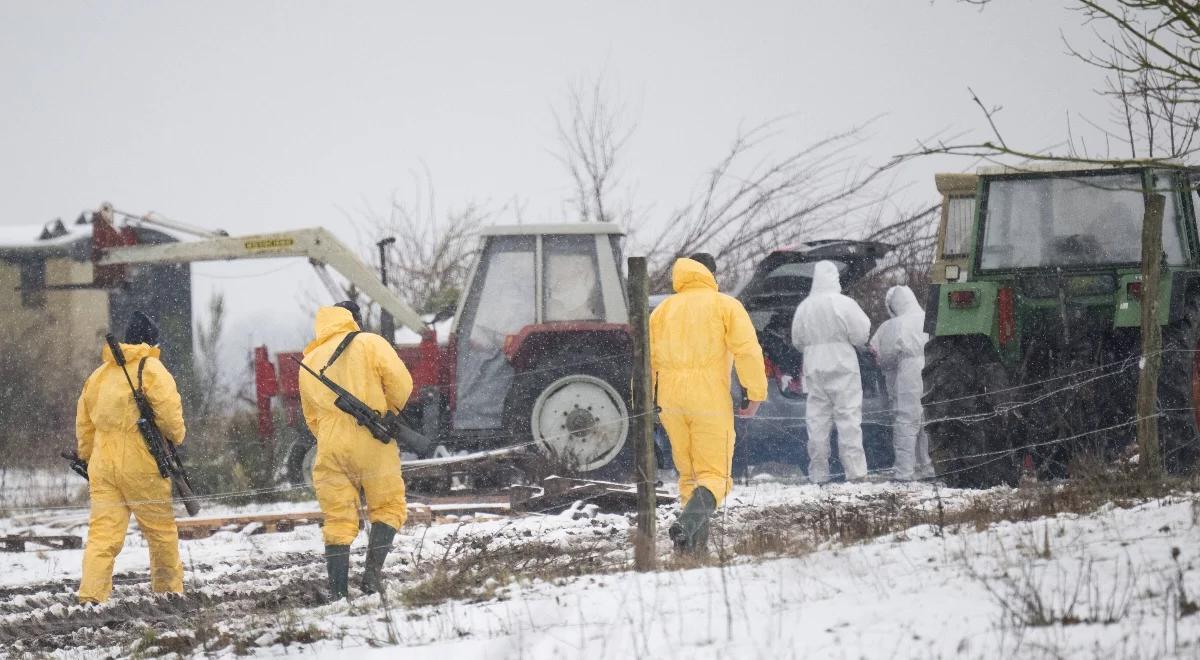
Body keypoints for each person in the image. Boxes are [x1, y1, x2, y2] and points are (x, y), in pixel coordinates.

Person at [650, 256, 767, 555]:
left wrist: (647, 401)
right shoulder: (725, 306)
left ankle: (691, 551)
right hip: (708, 398)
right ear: (710, 274)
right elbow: (747, 351)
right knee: (716, 476)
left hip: (670, 400)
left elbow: (647, 361)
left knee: (689, 476)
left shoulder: (661, 311)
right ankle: (687, 524)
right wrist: (754, 393)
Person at [299, 300, 413, 599]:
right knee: (388, 507)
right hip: (372, 440)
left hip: (329, 447)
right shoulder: (370, 343)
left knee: (337, 519)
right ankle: (372, 579)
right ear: (354, 319)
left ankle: (337, 593)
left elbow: (310, 416)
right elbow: (401, 384)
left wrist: (331, 435)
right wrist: (389, 412)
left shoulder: (309, 360)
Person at [77, 311, 186, 603]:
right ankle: (167, 592)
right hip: (142, 463)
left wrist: (88, 458)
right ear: (151, 340)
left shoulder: (98, 375)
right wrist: (176, 437)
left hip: (102, 465)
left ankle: (91, 596)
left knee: (103, 535)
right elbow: (171, 420)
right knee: (160, 532)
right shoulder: (151, 369)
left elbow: (85, 426)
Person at [791, 261, 872, 484]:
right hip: (843, 365)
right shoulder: (844, 303)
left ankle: (819, 474)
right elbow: (861, 334)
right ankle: (855, 473)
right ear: (835, 278)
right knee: (848, 419)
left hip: (814, 367)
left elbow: (797, 340)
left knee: (816, 423)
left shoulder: (804, 307)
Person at [869, 285, 934, 481]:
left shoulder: (892, 326)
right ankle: (928, 466)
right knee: (927, 421)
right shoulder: (929, 318)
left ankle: (905, 471)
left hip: (909, 371)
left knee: (906, 420)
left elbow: (882, 356)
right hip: (932, 367)